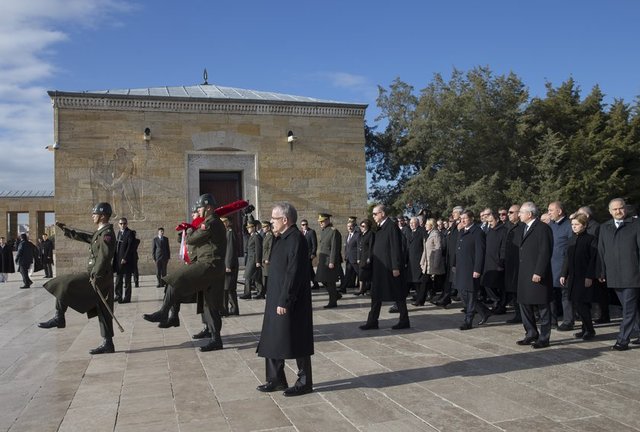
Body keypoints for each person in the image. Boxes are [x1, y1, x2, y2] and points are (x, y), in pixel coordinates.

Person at [144, 193, 227, 352]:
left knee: (175, 279)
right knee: (211, 305)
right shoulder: (210, 222)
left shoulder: (211, 223)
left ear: (209, 207)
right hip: (213, 266)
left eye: (200, 207)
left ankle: (164, 312)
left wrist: (189, 231)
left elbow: (191, 240)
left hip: (209, 264)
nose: (198, 211)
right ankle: (216, 339)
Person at [39, 203, 117, 354]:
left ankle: (59, 317)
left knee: (63, 283)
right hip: (99, 276)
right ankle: (108, 344)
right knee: (103, 310)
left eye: (95, 214)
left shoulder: (107, 234)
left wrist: (96, 274)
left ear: (102, 216)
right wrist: (67, 230)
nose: (92, 216)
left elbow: (105, 257)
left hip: (98, 277)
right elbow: (86, 237)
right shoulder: (100, 232)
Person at [256, 202, 314, 397]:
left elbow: (294, 273)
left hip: (290, 300)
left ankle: (304, 382)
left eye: (274, 218)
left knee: (297, 339)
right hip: (275, 297)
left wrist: (285, 300)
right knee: (273, 338)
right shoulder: (280, 238)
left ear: (285, 220)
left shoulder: (296, 239)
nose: (271, 221)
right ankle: (276, 379)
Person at [597, 198, 640, 351]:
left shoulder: (636, 225)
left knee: (628, 308)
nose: (618, 211)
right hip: (614, 275)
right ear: (610, 212)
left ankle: (623, 340)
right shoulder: (604, 227)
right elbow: (601, 252)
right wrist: (601, 271)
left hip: (632, 274)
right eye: (614, 209)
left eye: (621, 208)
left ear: (625, 209)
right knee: (631, 307)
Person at [359, 204, 409, 330]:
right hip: (379, 268)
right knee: (376, 294)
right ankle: (372, 321)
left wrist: (396, 267)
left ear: (382, 213)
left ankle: (404, 320)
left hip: (390, 268)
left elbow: (395, 247)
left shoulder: (391, 226)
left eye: (375, 214)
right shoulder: (380, 228)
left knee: (398, 293)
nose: (373, 216)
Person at [516, 202, 554, 349]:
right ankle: (531, 332)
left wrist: (539, 271)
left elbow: (545, 251)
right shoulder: (523, 228)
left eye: (521, 212)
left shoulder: (543, 228)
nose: (519, 214)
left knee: (543, 305)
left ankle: (544, 337)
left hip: (537, 274)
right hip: (524, 273)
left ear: (529, 214)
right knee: (524, 303)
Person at [560, 214, 598, 341]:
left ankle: (589, 329)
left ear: (584, 225)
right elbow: (567, 258)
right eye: (572, 225)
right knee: (577, 303)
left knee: (583, 304)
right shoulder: (571, 239)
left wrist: (589, 276)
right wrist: (563, 274)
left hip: (584, 276)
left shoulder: (591, 239)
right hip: (573, 277)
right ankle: (584, 328)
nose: (574, 227)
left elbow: (593, 259)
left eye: (577, 224)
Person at [455, 210, 490, 330]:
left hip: (471, 268)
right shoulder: (461, 231)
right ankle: (484, 311)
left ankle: (468, 320)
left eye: (465, 218)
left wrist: (477, 269)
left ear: (471, 219)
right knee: (463, 293)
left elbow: (480, 252)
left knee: (470, 294)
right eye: (461, 218)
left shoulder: (477, 232)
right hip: (461, 268)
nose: (462, 220)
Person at [548, 201, 574, 330]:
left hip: (564, 266)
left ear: (559, 211)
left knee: (566, 295)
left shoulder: (569, 225)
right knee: (551, 294)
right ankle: (552, 320)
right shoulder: (550, 225)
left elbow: (570, 248)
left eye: (551, 210)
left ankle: (568, 320)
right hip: (550, 265)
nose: (549, 213)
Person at [415, 218, 445, 305]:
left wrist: (436, 264)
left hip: (433, 263)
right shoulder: (429, 234)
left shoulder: (435, 234)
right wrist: (422, 261)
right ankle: (421, 300)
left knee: (433, 282)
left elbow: (438, 249)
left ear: (431, 226)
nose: (425, 226)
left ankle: (421, 300)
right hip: (428, 263)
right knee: (426, 282)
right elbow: (425, 250)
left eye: (427, 224)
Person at [316, 213, 343, 308]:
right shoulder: (324, 231)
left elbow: (334, 248)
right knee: (322, 279)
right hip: (323, 260)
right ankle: (336, 295)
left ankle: (333, 302)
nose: (321, 223)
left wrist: (332, 261)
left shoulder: (333, 231)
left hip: (329, 261)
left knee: (330, 282)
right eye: (320, 221)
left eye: (322, 221)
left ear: (328, 220)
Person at [240, 219, 263, 299]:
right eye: (248, 227)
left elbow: (258, 249)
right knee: (255, 277)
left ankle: (247, 293)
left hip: (253, 259)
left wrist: (257, 261)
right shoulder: (252, 236)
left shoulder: (256, 236)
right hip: (250, 259)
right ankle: (261, 292)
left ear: (253, 228)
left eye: (249, 227)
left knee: (248, 276)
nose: (248, 229)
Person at [113, 217, 135, 303]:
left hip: (126, 262)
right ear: (118, 224)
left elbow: (130, 247)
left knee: (127, 281)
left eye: (124, 223)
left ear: (127, 224)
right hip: (118, 261)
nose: (122, 225)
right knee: (118, 280)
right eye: (121, 223)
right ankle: (118, 295)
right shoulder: (119, 233)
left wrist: (125, 258)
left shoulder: (130, 233)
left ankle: (127, 298)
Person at [222, 217, 239, 316]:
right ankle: (233, 309)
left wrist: (228, 265)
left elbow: (230, 249)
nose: (223, 224)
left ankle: (227, 310)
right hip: (226, 263)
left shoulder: (230, 232)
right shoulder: (225, 232)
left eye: (224, 222)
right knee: (228, 288)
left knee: (227, 288)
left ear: (227, 222)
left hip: (230, 265)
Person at [355, 219, 374, 296]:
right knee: (361, 274)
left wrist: (369, 257)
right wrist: (358, 258)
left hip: (367, 257)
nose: (361, 228)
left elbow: (371, 247)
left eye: (363, 226)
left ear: (367, 226)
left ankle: (370, 290)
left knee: (368, 275)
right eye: (361, 226)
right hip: (362, 257)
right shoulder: (361, 235)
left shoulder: (370, 234)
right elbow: (359, 247)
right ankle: (361, 289)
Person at [300, 219, 319, 289]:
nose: (305, 226)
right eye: (303, 225)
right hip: (302, 255)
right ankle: (315, 283)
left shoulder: (311, 232)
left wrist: (313, 253)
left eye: (306, 224)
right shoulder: (300, 232)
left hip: (309, 255)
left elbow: (314, 244)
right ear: (301, 226)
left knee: (309, 269)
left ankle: (313, 283)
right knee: (309, 270)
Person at [343, 219, 361, 290]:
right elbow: (346, 247)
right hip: (348, 258)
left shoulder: (357, 235)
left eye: (351, 226)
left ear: (354, 227)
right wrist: (345, 255)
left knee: (359, 273)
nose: (349, 228)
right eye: (348, 226)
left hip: (355, 258)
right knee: (347, 274)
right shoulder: (347, 236)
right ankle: (343, 288)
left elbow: (359, 248)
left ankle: (364, 287)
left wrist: (358, 258)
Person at [260, 221, 273, 298]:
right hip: (264, 258)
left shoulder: (270, 236)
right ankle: (265, 292)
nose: (263, 228)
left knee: (267, 276)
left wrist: (267, 258)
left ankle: (268, 292)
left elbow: (270, 248)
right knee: (264, 276)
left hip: (267, 260)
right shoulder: (265, 236)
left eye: (264, 227)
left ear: (268, 227)